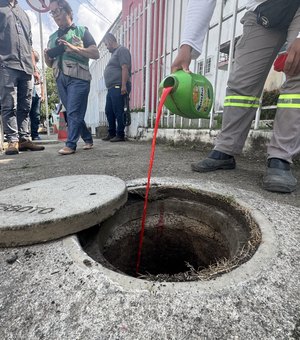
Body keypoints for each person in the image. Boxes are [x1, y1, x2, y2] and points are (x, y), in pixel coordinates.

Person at [171, 0, 300, 193]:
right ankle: (226, 149)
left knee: (297, 76)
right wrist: (186, 45)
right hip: (262, 10)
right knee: (241, 82)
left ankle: (280, 157)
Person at [44, 0, 99, 155]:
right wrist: (46, 56)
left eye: (57, 11)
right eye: (52, 13)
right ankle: (88, 138)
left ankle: (71, 144)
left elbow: (95, 53)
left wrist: (74, 48)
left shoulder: (82, 31)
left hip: (79, 77)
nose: (54, 16)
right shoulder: (53, 36)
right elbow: (49, 64)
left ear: (67, 10)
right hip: (60, 77)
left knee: (73, 111)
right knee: (73, 112)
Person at [0, 0, 45, 155]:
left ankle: (24, 139)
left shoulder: (23, 13)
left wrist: (34, 69)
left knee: (25, 105)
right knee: (8, 104)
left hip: (26, 65)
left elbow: (29, 43)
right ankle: (12, 140)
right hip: (6, 63)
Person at [102, 33, 132, 142]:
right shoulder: (114, 53)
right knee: (109, 110)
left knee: (118, 110)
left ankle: (120, 134)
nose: (106, 47)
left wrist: (123, 85)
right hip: (112, 87)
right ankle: (112, 132)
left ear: (110, 40)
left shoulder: (122, 50)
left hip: (119, 85)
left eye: (106, 44)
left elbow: (125, 68)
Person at [29, 50, 44, 141]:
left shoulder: (38, 70)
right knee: (25, 114)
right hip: (28, 94)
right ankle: (25, 135)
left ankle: (35, 134)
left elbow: (41, 83)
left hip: (36, 95)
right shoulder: (25, 68)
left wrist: (42, 95)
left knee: (36, 115)